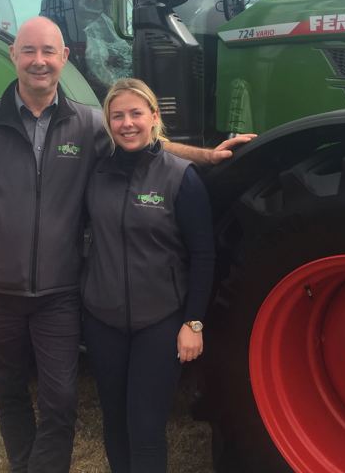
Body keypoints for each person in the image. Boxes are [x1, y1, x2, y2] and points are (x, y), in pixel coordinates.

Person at [0, 15, 253, 473]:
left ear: (64, 58)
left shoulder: (89, 125)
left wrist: (205, 156)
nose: (39, 61)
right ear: (14, 55)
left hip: (60, 294)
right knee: (9, 394)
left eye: (49, 52)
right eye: (28, 51)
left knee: (60, 400)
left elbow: (148, 144)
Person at [82, 78, 216, 473]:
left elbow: (203, 255)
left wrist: (193, 322)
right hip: (102, 319)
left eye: (136, 113)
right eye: (118, 115)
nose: (127, 123)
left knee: (145, 425)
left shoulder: (181, 177)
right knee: (115, 421)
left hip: (158, 322)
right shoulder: (96, 173)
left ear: (154, 117)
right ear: (108, 121)